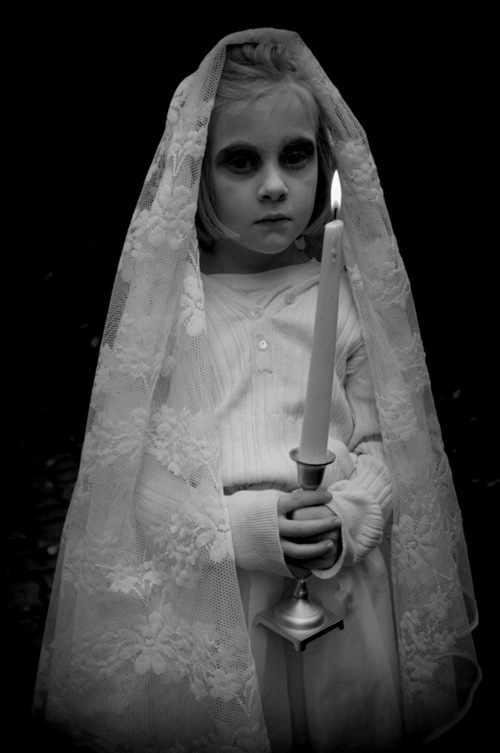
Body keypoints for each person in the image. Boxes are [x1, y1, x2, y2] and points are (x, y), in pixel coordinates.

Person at [33, 28, 481, 752]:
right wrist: (241, 529)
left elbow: (381, 442)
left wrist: (350, 514)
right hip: (224, 597)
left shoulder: (345, 301)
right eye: (242, 161)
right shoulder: (176, 316)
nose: (275, 184)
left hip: (341, 585)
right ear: (197, 173)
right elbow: (138, 480)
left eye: (295, 156)